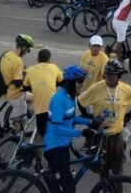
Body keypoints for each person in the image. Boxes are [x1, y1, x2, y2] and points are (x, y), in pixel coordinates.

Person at [78, 60, 131, 182]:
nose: (107, 77)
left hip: (116, 137)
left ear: (119, 76)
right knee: (102, 169)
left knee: (117, 170)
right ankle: (104, 188)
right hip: (99, 136)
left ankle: (117, 189)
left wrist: (129, 115)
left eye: (111, 75)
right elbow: (80, 100)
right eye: (106, 74)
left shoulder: (126, 89)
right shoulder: (96, 88)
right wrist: (87, 117)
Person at [43, 65, 94, 193]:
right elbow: (56, 129)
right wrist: (81, 132)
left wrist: (91, 121)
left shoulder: (70, 97)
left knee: (62, 183)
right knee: (70, 188)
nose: (82, 84)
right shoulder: (59, 100)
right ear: (71, 82)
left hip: (63, 145)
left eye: (83, 81)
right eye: (80, 81)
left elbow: (71, 118)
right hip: (55, 147)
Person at [24, 49, 63, 139]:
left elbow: (25, 84)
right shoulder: (54, 67)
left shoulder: (30, 70)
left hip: (40, 110)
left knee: (42, 133)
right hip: (53, 107)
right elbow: (61, 79)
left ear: (37, 59)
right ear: (49, 59)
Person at [0, 34, 35, 132]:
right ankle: (16, 134)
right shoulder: (18, 61)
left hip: (5, 90)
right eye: (28, 49)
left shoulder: (6, 54)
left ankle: (21, 110)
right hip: (15, 95)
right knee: (21, 124)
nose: (28, 52)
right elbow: (18, 83)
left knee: (32, 97)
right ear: (24, 47)